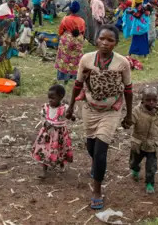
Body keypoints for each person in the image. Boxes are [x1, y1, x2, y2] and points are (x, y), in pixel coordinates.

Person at [65, 25, 133, 210]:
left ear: (116, 43)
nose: (105, 43)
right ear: (96, 40)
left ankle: (97, 190)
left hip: (111, 110)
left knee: (101, 149)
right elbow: (78, 84)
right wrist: (70, 107)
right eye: (102, 38)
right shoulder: (86, 59)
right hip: (90, 108)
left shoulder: (122, 63)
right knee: (91, 147)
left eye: (110, 40)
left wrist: (129, 114)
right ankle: (97, 164)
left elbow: (128, 89)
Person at [130, 86, 158, 194]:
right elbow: (130, 120)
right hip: (138, 143)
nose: (151, 102)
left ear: (157, 99)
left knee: (151, 167)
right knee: (134, 161)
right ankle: (135, 170)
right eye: (148, 100)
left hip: (152, 145)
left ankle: (150, 183)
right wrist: (127, 122)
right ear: (142, 100)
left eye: (154, 100)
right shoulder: (137, 111)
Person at [32, 84, 73, 178]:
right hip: (47, 134)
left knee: (60, 150)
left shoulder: (64, 108)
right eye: (49, 98)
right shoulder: (45, 107)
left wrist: (71, 115)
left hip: (59, 135)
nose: (50, 100)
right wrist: (45, 123)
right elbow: (42, 117)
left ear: (61, 97)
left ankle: (61, 164)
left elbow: (70, 115)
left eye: (53, 98)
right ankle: (44, 171)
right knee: (44, 150)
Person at [55, 2, 85, 83]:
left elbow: (61, 30)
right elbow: (82, 32)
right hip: (78, 39)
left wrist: (61, 36)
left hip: (67, 40)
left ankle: (63, 77)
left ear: (70, 9)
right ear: (78, 10)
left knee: (64, 58)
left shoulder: (66, 19)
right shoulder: (81, 20)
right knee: (75, 58)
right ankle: (74, 76)